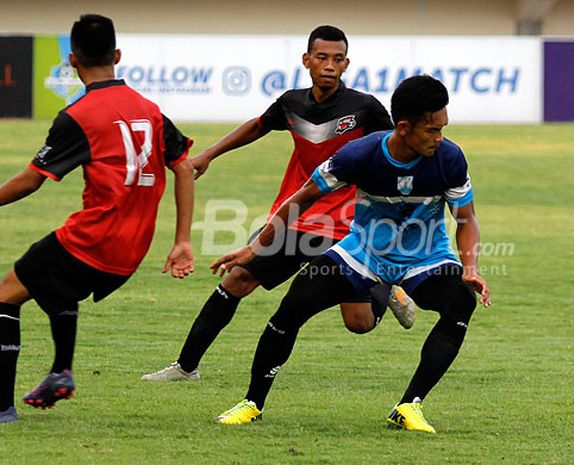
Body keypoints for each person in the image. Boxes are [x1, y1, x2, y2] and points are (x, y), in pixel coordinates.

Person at [211, 75, 491, 433]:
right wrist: (255, 247)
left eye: (443, 128)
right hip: (363, 253)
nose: (440, 138)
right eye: (432, 130)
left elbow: (466, 218)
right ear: (403, 127)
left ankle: (409, 405)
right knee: (293, 305)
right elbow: (301, 199)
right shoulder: (360, 155)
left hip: (426, 258)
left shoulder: (449, 158)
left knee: (460, 303)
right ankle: (252, 403)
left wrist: (470, 267)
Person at [142, 25, 416, 383]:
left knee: (359, 323)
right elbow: (258, 125)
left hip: (345, 227)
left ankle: (383, 285)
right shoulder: (292, 103)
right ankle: (185, 367)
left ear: (347, 64)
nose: (329, 66)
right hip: (292, 218)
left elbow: (397, 145)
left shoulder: (364, 108)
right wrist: (209, 155)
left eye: (337, 59)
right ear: (307, 60)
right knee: (236, 279)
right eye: (322, 58)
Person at [0, 14, 194, 424]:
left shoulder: (79, 115)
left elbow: (32, 181)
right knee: (53, 282)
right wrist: (182, 240)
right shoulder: (150, 110)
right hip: (132, 249)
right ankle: (60, 372)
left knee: (5, 296)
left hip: (93, 238)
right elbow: (183, 166)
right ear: (118, 55)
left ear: (72, 60)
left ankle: (2, 408)